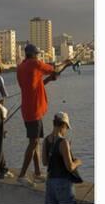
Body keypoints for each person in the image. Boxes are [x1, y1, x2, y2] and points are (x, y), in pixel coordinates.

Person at [16, 44, 73, 186]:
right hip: (34, 110)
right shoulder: (35, 64)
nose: (38, 56)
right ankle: (22, 175)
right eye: (37, 54)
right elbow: (55, 69)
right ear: (33, 55)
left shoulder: (21, 68)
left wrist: (48, 80)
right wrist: (66, 63)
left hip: (27, 109)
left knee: (35, 142)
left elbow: (34, 85)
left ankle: (37, 173)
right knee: (33, 142)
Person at [42, 112, 82, 204]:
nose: (66, 130)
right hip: (63, 183)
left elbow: (45, 162)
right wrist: (77, 162)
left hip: (50, 182)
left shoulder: (46, 140)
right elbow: (70, 167)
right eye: (67, 128)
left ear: (54, 123)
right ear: (63, 125)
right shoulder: (63, 142)